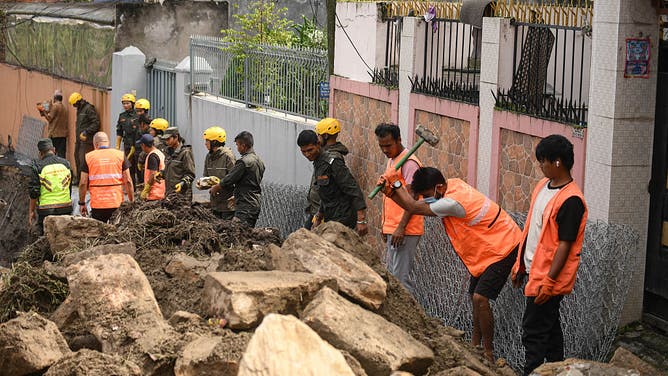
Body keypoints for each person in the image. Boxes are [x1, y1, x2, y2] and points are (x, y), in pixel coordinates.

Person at [378, 167, 521, 361]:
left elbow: (413, 207)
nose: (427, 199)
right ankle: (475, 345)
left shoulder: (452, 202)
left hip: (506, 246)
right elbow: (412, 204)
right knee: (473, 296)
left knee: (480, 298)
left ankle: (489, 353)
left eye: (427, 195)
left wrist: (395, 184)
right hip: (488, 247)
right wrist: (391, 191)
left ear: (438, 187)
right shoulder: (452, 184)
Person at [510, 135, 587, 376]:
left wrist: (549, 282)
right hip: (534, 272)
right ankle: (559, 369)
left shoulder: (571, 200)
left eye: (543, 161)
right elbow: (533, 230)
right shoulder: (543, 187)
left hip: (547, 279)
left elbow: (565, 245)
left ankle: (532, 372)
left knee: (533, 330)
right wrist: (520, 266)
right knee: (550, 329)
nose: (540, 166)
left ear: (557, 162)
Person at [375, 123, 423, 294]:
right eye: (381, 146)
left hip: (405, 230)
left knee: (401, 281)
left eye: (388, 145)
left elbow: (413, 198)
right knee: (394, 276)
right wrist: (385, 226)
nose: (385, 150)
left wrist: (401, 227)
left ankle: (409, 320)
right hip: (393, 229)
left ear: (399, 140)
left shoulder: (409, 163)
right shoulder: (393, 160)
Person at [297, 129, 368, 236]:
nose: (307, 154)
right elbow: (324, 194)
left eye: (310, 150)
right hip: (330, 217)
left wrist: (361, 220)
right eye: (303, 151)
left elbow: (352, 188)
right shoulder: (318, 162)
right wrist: (318, 217)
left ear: (318, 144)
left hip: (343, 218)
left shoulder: (333, 162)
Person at [210, 131, 265, 227]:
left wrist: (216, 187)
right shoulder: (259, 161)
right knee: (247, 233)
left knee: (238, 234)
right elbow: (248, 183)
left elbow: (230, 179)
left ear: (243, 146)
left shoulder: (243, 162)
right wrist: (236, 196)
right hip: (254, 203)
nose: (237, 148)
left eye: (237, 145)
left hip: (245, 206)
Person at [78, 132, 134, 223]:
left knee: (99, 233)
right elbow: (128, 180)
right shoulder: (119, 155)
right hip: (116, 203)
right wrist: (132, 201)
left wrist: (82, 203)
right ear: (108, 143)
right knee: (116, 232)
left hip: (98, 204)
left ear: (95, 144)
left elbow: (83, 183)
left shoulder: (88, 157)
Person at [305, 117, 350, 229]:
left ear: (325, 136)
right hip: (318, 210)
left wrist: (320, 215)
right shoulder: (323, 154)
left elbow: (330, 190)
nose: (317, 139)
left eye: (319, 135)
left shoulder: (332, 159)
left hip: (323, 213)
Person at [28, 138, 73, 233]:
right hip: (65, 207)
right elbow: (69, 187)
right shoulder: (66, 164)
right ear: (54, 150)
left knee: (45, 235)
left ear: (40, 153)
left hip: (46, 210)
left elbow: (34, 192)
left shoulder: (37, 166)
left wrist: (31, 211)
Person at [202, 126, 235, 219]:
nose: (205, 144)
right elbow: (206, 176)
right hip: (215, 205)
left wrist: (219, 186)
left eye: (207, 141)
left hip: (227, 207)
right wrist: (203, 183)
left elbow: (234, 179)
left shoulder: (228, 156)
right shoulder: (209, 157)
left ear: (214, 142)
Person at [69, 92, 100, 185]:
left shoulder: (89, 109)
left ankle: (85, 181)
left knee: (83, 161)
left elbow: (96, 123)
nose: (74, 106)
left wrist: (86, 132)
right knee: (77, 158)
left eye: (75, 104)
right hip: (79, 140)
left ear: (79, 101)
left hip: (87, 140)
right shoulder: (80, 109)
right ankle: (79, 180)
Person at [159, 127, 195, 200]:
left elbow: (190, 175)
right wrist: (161, 174)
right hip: (169, 193)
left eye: (168, 139)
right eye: (165, 140)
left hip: (182, 196)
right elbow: (170, 170)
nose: (166, 142)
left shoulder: (185, 153)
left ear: (176, 137)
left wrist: (182, 184)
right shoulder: (168, 152)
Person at [115, 93, 139, 185]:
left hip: (137, 144)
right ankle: (131, 186)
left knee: (138, 166)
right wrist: (117, 145)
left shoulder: (137, 115)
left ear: (132, 103)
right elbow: (119, 131)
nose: (125, 105)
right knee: (128, 166)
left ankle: (139, 185)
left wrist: (135, 145)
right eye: (124, 103)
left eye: (127, 103)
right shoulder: (122, 116)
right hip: (127, 145)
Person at [38, 90, 68, 158]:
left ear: (55, 98)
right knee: (61, 154)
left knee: (51, 153)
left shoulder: (55, 106)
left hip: (55, 134)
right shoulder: (64, 108)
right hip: (63, 135)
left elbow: (49, 118)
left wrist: (43, 112)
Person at [136, 134, 165, 201]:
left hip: (154, 193)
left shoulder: (152, 156)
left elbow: (153, 174)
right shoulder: (159, 153)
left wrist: (146, 190)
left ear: (143, 145)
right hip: (161, 190)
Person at [134, 98, 151, 184]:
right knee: (138, 174)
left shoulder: (150, 124)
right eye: (137, 111)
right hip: (137, 151)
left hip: (145, 152)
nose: (139, 113)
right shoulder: (136, 122)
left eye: (141, 111)